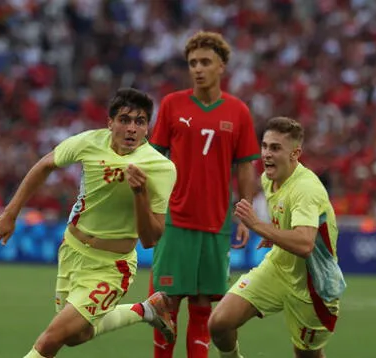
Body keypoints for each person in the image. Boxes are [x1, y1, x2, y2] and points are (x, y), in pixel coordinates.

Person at [0, 88, 179, 358]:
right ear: (109, 122)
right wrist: (10, 213)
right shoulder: (89, 142)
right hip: (72, 251)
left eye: (140, 122)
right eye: (124, 119)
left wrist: (140, 194)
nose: (131, 128)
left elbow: (150, 239)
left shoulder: (160, 167)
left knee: (50, 339)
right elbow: (45, 165)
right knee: (76, 335)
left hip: (111, 267)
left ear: (147, 128)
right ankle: (147, 310)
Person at [148, 31, 260, 358]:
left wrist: (245, 212)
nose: (197, 68)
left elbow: (245, 167)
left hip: (216, 222)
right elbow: (155, 160)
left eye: (205, 62)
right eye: (192, 63)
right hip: (175, 220)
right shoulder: (172, 104)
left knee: (203, 307)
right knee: (165, 306)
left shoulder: (238, 111)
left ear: (221, 66)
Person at [208, 117, 346, 358]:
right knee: (219, 324)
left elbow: (304, 244)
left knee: (306, 354)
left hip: (312, 286)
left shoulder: (305, 189)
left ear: (295, 154)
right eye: (264, 146)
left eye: (275, 148)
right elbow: (289, 222)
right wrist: (276, 234)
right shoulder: (268, 179)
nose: (266, 154)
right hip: (278, 268)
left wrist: (257, 225)